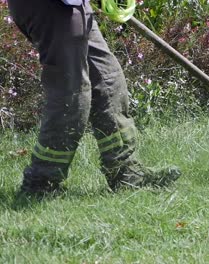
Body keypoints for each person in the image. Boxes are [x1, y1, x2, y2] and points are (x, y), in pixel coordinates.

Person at [6, 0, 181, 195]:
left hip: (71, 6)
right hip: (49, 8)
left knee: (108, 79)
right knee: (71, 93)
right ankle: (41, 183)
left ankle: (125, 171)